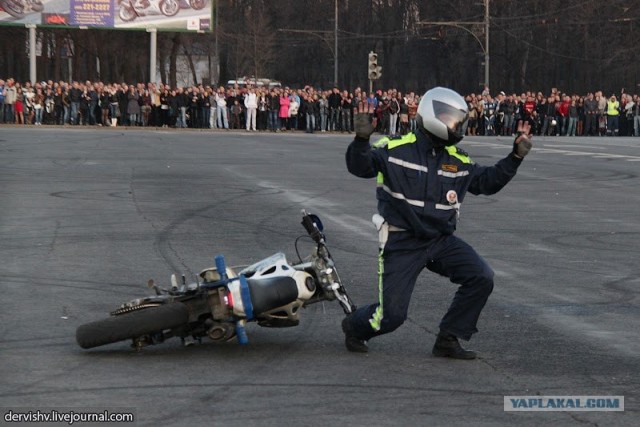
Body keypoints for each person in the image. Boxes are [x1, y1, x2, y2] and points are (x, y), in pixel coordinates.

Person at [341, 87, 533, 359]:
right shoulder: (394, 149)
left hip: (440, 241)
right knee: (390, 317)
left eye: (458, 118)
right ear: (431, 115)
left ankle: (448, 338)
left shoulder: (458, 160)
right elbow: (360, 167)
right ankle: (354, 325)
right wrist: (361, 140)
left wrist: (515, 158)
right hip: (401, 241)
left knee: (481, 277)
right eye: (451, 117)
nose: (457, 124)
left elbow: (488, 182)